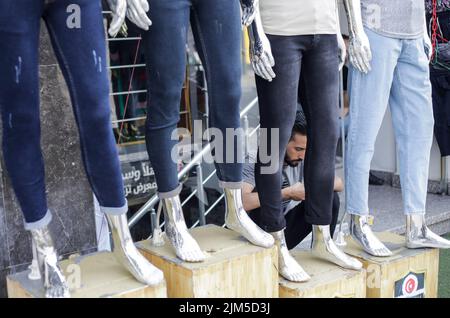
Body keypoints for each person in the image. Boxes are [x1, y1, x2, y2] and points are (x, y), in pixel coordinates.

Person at [242, 110, 344, 281]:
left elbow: (339, 183)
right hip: (256, 234)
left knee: (330, 198)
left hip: (283, 229)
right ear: (282, 142)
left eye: (305, 149)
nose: (302, 155)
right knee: (266, 192)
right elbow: (242, 203)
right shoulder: (256, 159)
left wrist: (312, 187)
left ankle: (325, 247)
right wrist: (287, 193)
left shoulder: (301, 158)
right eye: (297, 149)